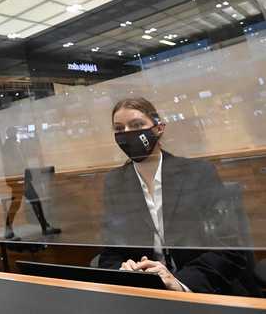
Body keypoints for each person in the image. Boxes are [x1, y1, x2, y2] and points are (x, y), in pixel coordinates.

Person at [99, 97, 261, 296]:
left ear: (159, 128)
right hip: (146, 293)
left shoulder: (198, 173)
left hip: (199, 290)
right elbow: (109, 254)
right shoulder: (115, 182)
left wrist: (178, 282)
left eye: (137, 125)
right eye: (119, 128)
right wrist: (124, 271)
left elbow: (228, 250)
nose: (127, 134)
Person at [1, 126, 61, 239]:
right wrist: (22, 177)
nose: (16, 134)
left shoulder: (11, 145)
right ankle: (44, 227)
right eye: (14, 132)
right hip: (19, 179)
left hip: (19, 178)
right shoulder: (10, 146)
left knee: (20, 204)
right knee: (34, 201)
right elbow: (15, 164)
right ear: (11, 134)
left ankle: (9, 229)